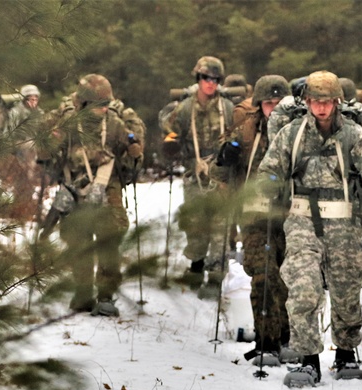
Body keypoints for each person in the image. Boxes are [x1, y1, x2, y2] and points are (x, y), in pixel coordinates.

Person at [254, 71, 362, 385]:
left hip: (344, 221)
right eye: (315, 101)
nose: (320, 108)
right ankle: (307, 359)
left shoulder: (353, 134)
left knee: (346, 289)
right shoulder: (292, 133)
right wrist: (270, 184)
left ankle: (345, 353)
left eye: (327, 102)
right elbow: (270, 167)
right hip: (302, 218)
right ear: (306, 101)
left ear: (337, 102)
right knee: (303, 287)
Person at [42, 74, 144, 317]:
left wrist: (134, 151)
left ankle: (106, 294)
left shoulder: (115, 124)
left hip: (108, 186)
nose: (104, 109)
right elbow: (47, 155)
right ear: (86, 104)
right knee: (79, 241)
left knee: (109, 239)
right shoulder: (68, 122)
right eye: (100, 105)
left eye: (107, 104)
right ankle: (83, 292)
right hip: (75, 185)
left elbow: (130, 160)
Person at [222, 74, 293, 363]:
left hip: (291, 214)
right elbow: (224, 161)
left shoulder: (299, 130)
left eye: (278, 102)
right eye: (268, 103)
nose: (273, 108)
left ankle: (289, 337)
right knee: (262, 276)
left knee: (290, 278)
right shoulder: (247, 130)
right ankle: (266, 341)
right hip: (255, 214)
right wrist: (228, 154)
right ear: (259, 104)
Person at [161, 56, 236, 296]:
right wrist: (170, 144)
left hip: (221, 171)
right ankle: (196, 264)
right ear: (198, 78)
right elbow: (171, 130)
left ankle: (215, 277)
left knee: (220, 226)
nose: (210, 83)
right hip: (195, 172)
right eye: (206, 78)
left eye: (215, 79)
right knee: (195, 223)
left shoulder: (227, 108)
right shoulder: (185, 108)